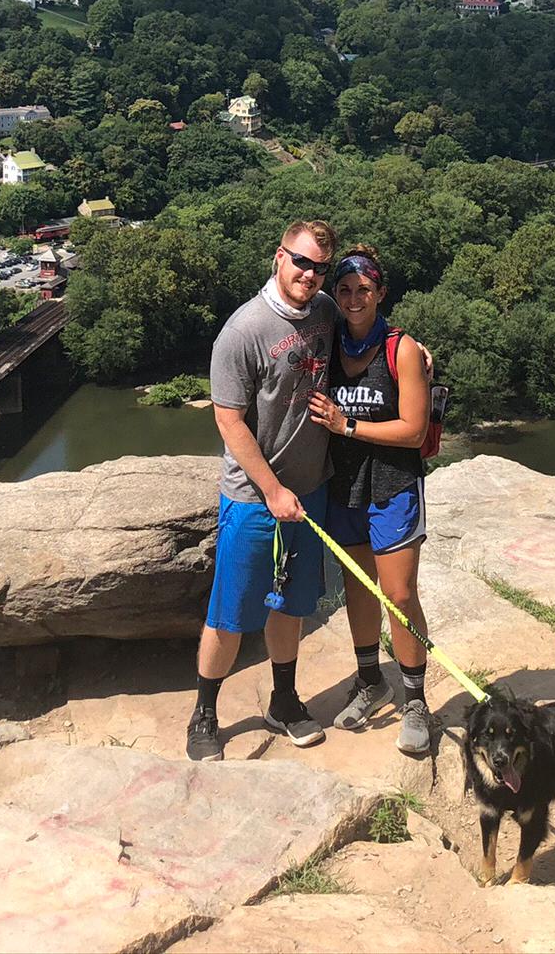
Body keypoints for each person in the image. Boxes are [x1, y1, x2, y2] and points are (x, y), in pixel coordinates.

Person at [188, 219, 339, 762]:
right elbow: (229, 422)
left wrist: (413, 353)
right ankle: (205, 711)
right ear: (278, 257)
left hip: (309, 491)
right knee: (230, 613)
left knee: (291, 606)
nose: (310, 275)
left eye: (320, 267)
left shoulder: (324, 312)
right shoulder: (243, 331)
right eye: (301, 262)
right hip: (256, 498)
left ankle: (284, 699)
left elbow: (370, 332)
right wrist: (272, 489)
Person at [307, 243, 437, 757]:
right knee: (358, 589)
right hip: (344, 485)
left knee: (399, 595)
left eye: (364, 289)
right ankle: (370, 681)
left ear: (381, 292)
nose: (354, 297)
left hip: (393, 485)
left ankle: (415, 700)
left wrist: (347, 425)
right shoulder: (328, 338)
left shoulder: (400, 349)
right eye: (344, 289)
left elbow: (413, 430)